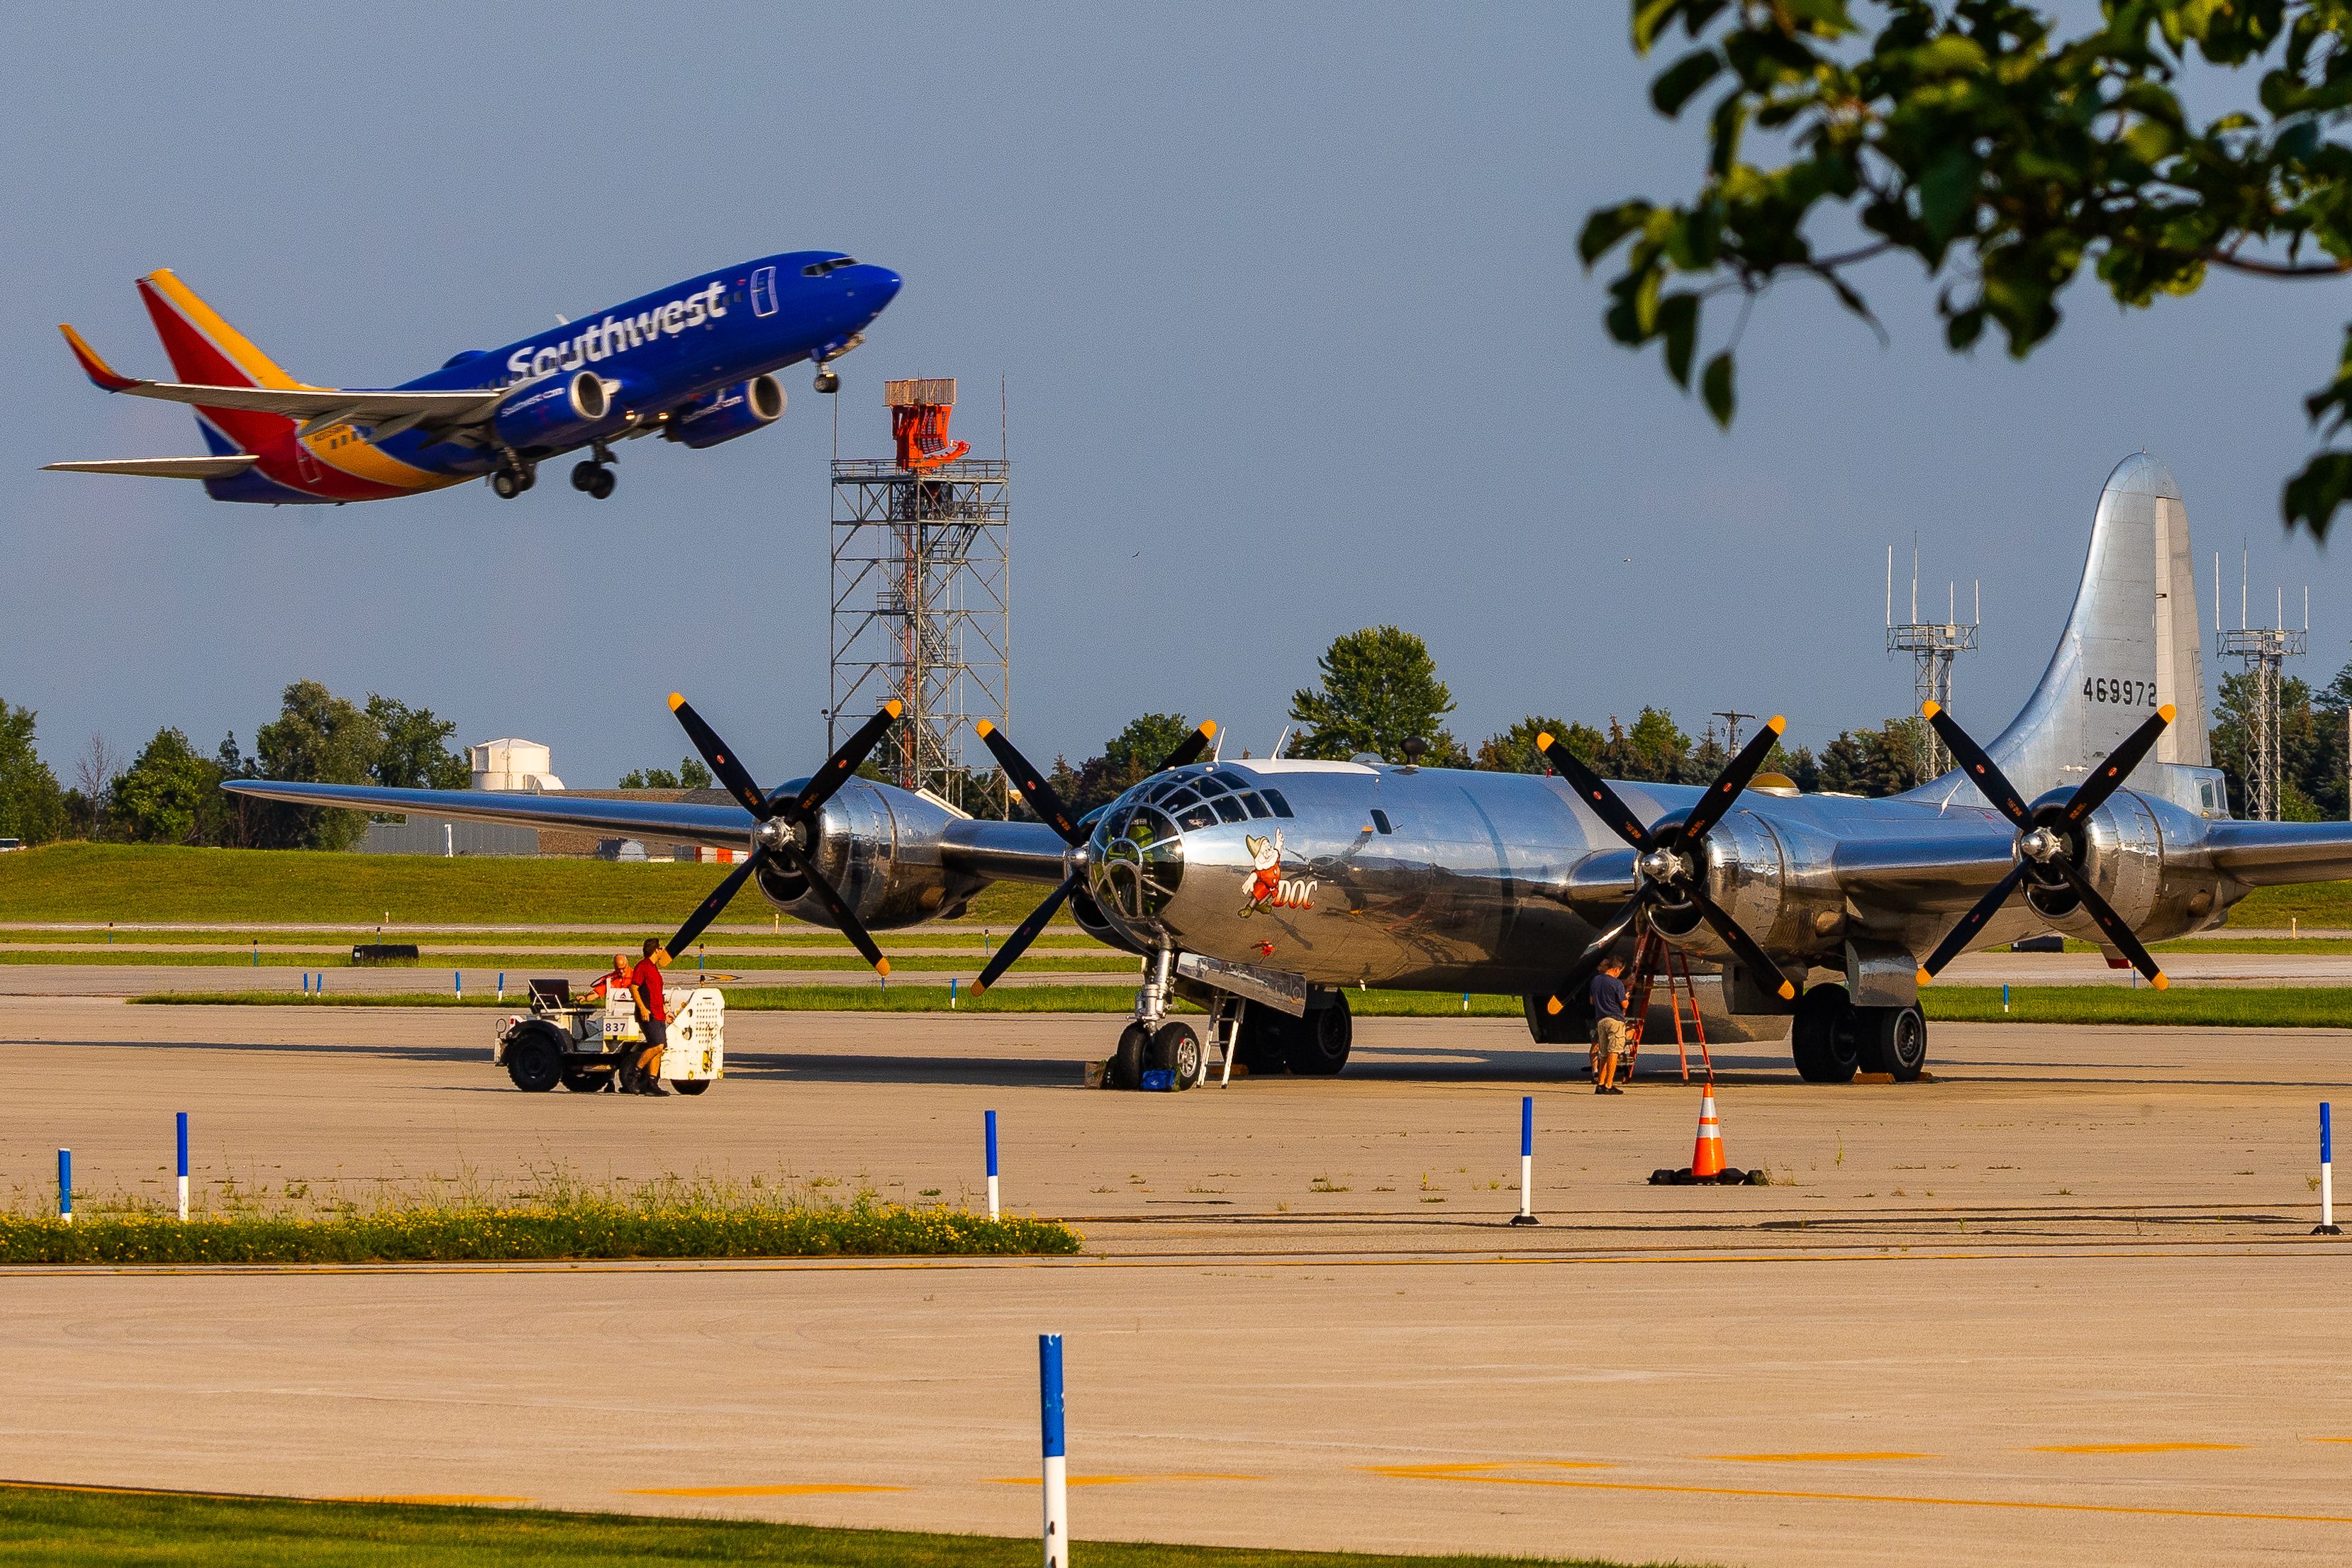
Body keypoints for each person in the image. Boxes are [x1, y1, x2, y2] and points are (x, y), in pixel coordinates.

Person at [627, 939, 676, 1096]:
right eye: (660, 948)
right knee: (658, 1045)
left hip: (658, 1013)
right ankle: (634, 1073)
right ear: (656, 950)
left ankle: (652, 1083)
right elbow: (633, 988)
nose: (662, 951)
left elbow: (657, 995)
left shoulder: (654, 969)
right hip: (649, 1014)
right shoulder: (643, 967)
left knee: (659, 1049)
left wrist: (666, 1012)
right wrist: (642, 1008)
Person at [584, 953, 637, 1092]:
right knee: (605, 1039)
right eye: (618, 969)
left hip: (632, 1017)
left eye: (623, 968)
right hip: (613, 1017)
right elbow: (597, 992)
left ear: (628, 964)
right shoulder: (611, 979)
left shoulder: (636, 977)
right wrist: (585, 998)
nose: (621, 972)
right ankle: (610, 1081)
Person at [1590, 957, 1629, 1095]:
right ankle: (1609, 1084)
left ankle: (1600, 1083)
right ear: (1617, 969)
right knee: (1614, 1052)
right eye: (1620, 971)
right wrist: (1627, 996)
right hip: (1615, 1020)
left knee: (1604, 1052)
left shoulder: (1596, 980)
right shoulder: (1617, 983)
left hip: (1601, 1020)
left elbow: (1592, 1001)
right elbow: (1624, 1004)